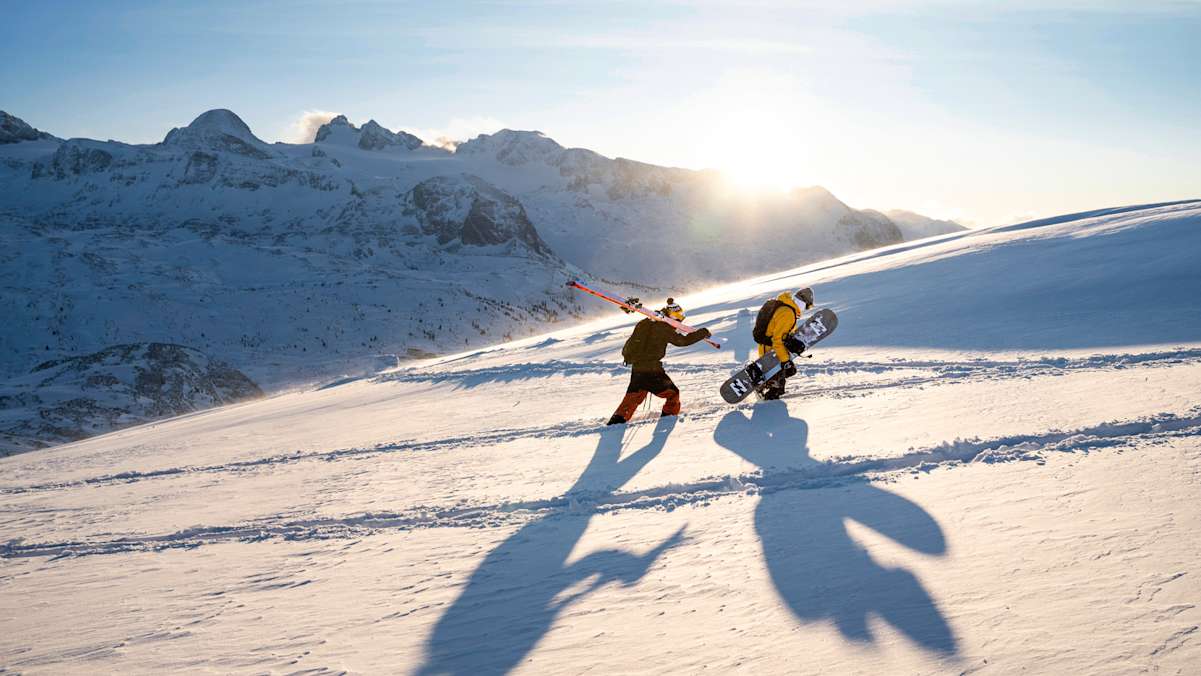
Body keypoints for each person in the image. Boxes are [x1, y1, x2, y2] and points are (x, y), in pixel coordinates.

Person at [607, 299, 711, 425]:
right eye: (677, 319)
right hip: (652, 369)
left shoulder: (645, 323)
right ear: (671, 317)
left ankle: (616, 423)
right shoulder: (663, 328)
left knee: (633, 398)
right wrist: (702, 333)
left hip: (638, 368)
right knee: (673, 394)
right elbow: (681, 341)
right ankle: (668, 420)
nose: (678, 323)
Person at [752, 287, 814, 400]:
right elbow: (778, 340)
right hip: (771, 352)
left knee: (790, 371)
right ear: (803, 302)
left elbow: (781, 335)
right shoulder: (788, 313)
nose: (806, 309)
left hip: (769, 349)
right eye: (808, 306)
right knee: (777, 388)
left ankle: (764, 383)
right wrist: (785, 360)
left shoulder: (786, 307)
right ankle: (767, 406)